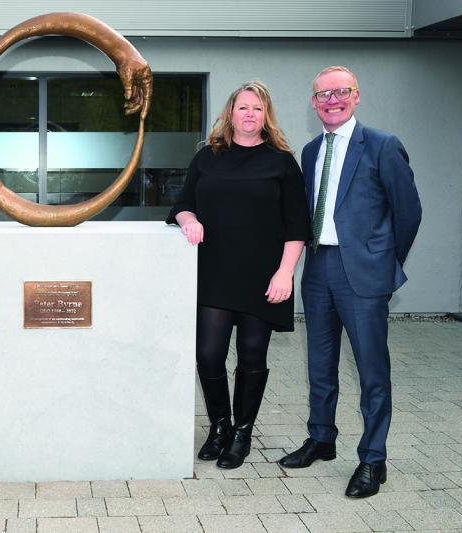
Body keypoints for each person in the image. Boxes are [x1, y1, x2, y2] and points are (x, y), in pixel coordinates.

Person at [278, 66, 422, 498]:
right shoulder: (310, 151)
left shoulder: (382, 145)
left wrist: (383, 263)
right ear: (314, 103)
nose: (332, 100)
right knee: (319, 366)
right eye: (323, 95)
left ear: (356, 96)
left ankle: (372, 460)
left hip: (363, 275)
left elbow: (408, 213)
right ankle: (322, 439)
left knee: (371, 371)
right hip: (318, 269)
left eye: (341, 92)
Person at [168, 81, 309, 469]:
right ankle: (219, 426)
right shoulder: (208, 157)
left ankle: (242, 434)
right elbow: (182, 202)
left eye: (258, 109)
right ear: (230, 113)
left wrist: (285, 274)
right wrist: (189, 220)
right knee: (208, 355)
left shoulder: (282, 161)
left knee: (251, 356)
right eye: (244, 107)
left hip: (263, 276)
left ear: (267, 116)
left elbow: (297, 224)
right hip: (215, 272)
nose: (250, 114)